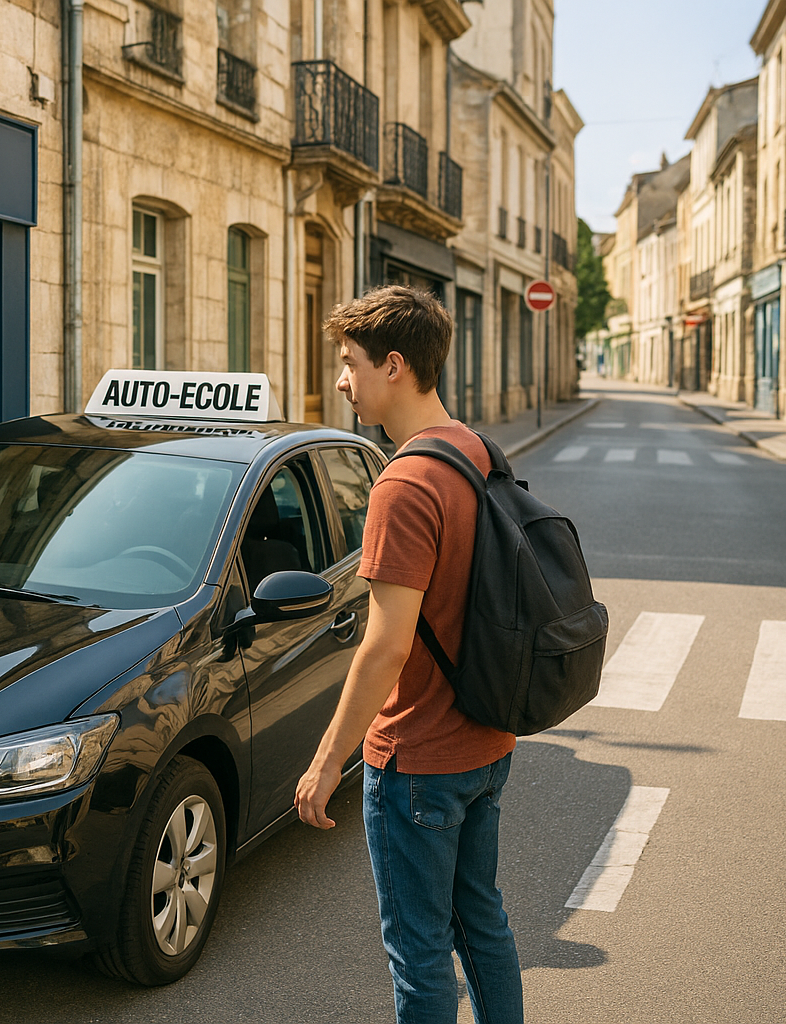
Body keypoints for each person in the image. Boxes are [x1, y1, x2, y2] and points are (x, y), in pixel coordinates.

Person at [295, 286, 523, 1024]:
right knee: (481, 922)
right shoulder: (474, 450)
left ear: (394, 365)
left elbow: (386, 645)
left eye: (349, 363)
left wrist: (329, 760)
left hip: (418, 760)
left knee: (419, 952)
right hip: (487, 738)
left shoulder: (404, 482)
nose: (341, 381)